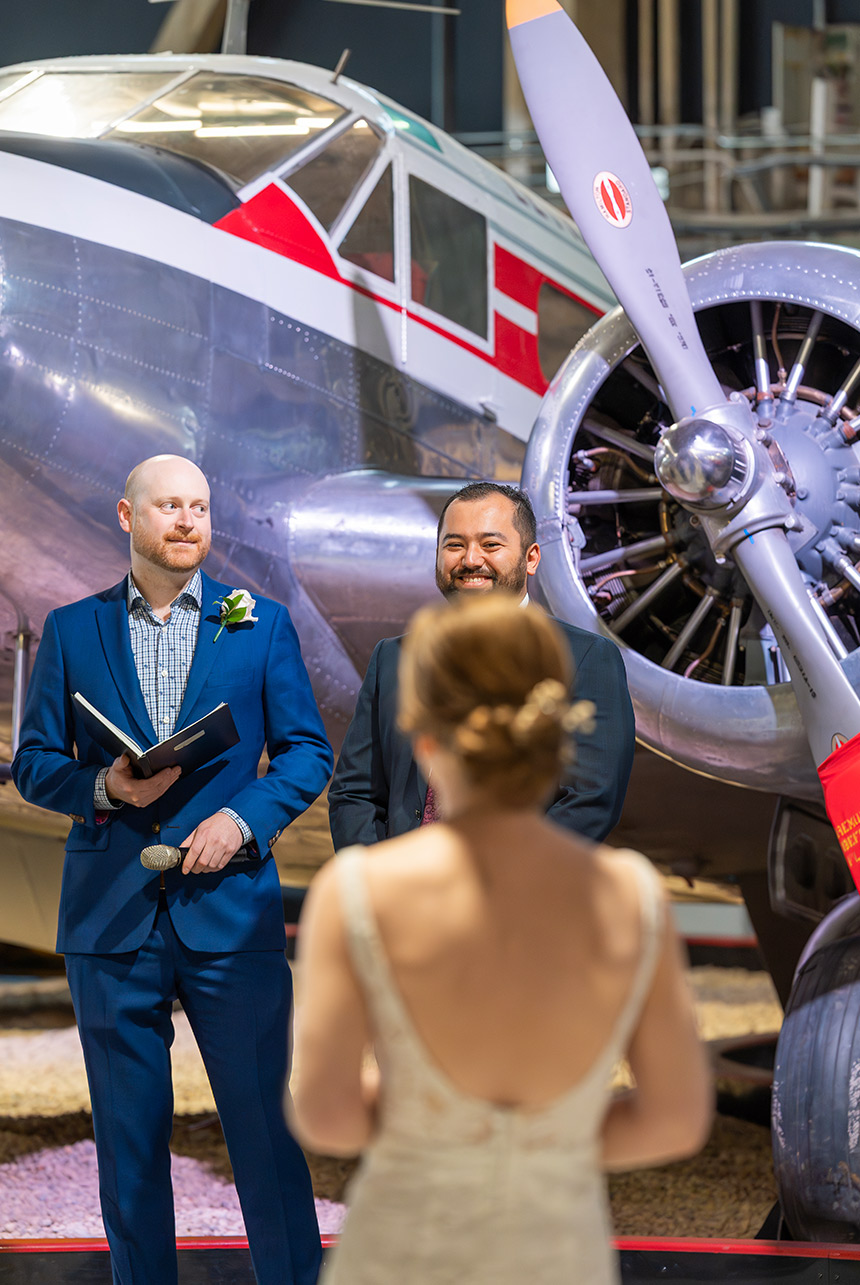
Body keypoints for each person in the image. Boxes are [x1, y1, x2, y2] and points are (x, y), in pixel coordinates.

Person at [290, 594, 712, 1285]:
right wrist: (546, 1145)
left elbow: (326, 1115)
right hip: (557, 1251)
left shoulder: (359, 891)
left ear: (425, 741)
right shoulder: (629, 894)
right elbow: (675, 1119)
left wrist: (443, 1139)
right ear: (556, 734)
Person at [12, 455, 333, 1285]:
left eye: (199, 506)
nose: (187, 520)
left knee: (265, 1134)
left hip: (232, 913)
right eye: (168, 506)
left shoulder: (258, 623)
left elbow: (306, 752)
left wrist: (242, 818)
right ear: (127, 515)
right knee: (127, 1144)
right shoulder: (73, 628)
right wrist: (103, 784)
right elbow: (35, 761)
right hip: (110, 921)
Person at [328, 481, 634, 847]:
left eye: (491, 544)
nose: (471, 560)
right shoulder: (393, 658)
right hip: (401, 893)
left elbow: (590, 799)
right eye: (454, 545)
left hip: (518, 893)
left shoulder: (586, 658)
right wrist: (376, 882)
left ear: (531, 557)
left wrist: (485, 882)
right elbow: (354, 792)